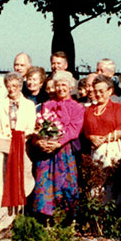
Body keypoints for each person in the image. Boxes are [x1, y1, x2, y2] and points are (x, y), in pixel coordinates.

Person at [30, 71, 84, 217]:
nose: (60, 88)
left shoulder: (77, 107)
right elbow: (40, 125)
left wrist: (58, 143)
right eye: (58, 85)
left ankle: (66, 217)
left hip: (64, 150)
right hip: (47, 151)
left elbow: (74, 129)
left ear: (70, 87)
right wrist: (44, 141)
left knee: (64, 183)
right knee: (45, 182)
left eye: (63, 85)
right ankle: (45, 216)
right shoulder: (48, 105)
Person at [81, 75, 121, 200]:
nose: (98, 94)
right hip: (95, 150)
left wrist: (105, 138)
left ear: (110, 91)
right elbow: (86, 131)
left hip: (112, 149)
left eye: (101, 91)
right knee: (96, 183)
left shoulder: (117, 108)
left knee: (112, 183)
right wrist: (92, 138)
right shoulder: (89, 110)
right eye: (96, 91)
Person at [0, 72, 36, 140]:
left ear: (20, 86)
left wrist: (18, 139)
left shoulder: (29, 105)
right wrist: (4, 139)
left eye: (14, 86)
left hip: (22, 144)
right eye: (8, 86)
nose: (11, 89)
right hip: (1, 143)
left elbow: (31, 128)